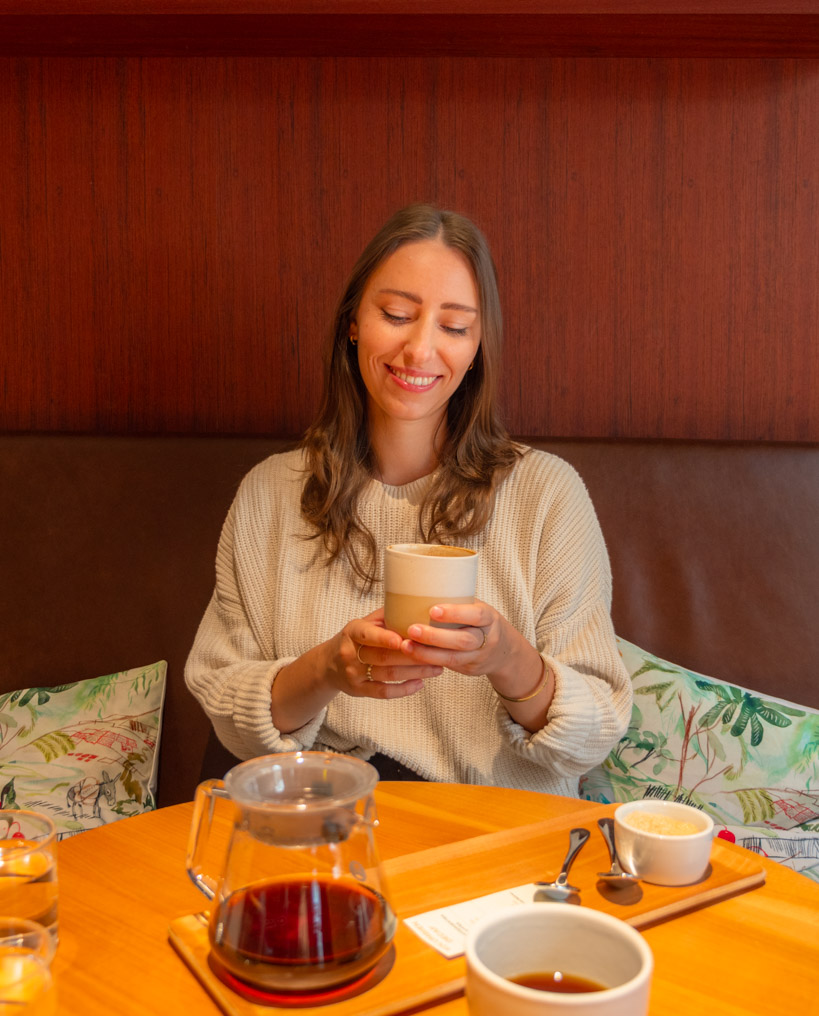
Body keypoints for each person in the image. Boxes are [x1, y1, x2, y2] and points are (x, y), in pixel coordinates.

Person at [185, 203, 632, 797]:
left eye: (453, 327)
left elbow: (594, 733)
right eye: (397, 314)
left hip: (496, 837)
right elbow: (229, 713)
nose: (421, 350)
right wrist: (328, 669)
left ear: (477, 348)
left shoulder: (546, 495)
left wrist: (505, 659)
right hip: (327, 823)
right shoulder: (272, 493)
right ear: (353, 322)